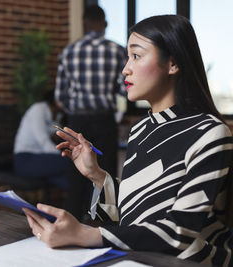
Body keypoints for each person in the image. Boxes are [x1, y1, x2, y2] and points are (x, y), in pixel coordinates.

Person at [23, 14, 233, 266]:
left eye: (136, 55)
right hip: (138, 257)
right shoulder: (141, 128)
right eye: (127, 57)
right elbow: (138, 212)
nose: (125, 68)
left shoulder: (211, 133)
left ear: (173, 63)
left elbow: (180, 233)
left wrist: (86, 233)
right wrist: (97, 175)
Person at [54, 4, 127, 220]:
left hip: (78, 122)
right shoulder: (117, 50)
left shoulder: (69, 52)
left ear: (84, 24)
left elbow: (60, 96)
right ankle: (104, 228)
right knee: (105, 176)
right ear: (104, 24)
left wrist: (77, 111)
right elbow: (125, 90)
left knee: (76, 177)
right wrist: (114, 109)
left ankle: (73, 225)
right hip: (105, 120)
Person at [14, 90, 68, 189]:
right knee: (70, 163)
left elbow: (57, 132)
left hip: (42, 159)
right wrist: (61, 156)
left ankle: (82, 202)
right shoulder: (38, 109)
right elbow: (43, 141)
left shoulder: (57, 115)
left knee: (69, 181)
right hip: (25, 160)